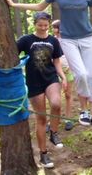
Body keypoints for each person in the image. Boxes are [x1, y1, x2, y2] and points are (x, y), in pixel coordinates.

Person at [16, 12, 67, 169]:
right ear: (35, 24)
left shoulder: (53, 41)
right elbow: (13, 55)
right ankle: (43, 155)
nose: (43, 28)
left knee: (56, 104)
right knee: (41, 118)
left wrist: (63, 77)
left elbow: (56, 61)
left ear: (49, 24)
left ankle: (54, 133)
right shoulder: (26, 40)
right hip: (34, 81)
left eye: (46, 25)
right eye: (40, 25)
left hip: (51, 77)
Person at [52, 19, 74, 131]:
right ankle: (54, 119)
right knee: (55, 97)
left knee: (68, 95)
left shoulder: (70, 41)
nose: (56, 30)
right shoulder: (52, 41)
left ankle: (68, 119)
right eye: (54, 28)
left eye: (57, 27)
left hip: (68, 71)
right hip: (55, 72)